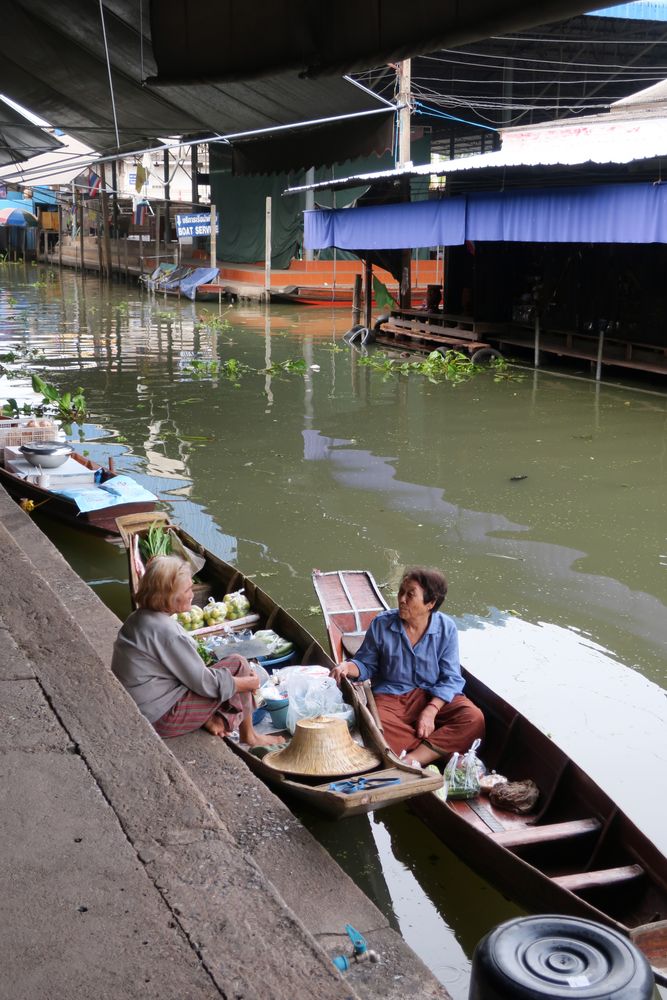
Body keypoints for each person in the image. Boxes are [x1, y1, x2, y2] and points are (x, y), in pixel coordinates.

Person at [111, 555, 283, 745]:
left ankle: (215, 720)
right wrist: (249, 684)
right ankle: (249, 735)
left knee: (236, 662)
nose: (192, 594)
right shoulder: (167, 632)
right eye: (187, 590)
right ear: (169, 597)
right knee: (240, 667)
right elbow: (204, 683)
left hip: (141, 704)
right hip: (159, 717)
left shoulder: (138, 617)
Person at [330, 567, 483, 766]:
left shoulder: (446, 628)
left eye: (410, 595)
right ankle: (438, 750)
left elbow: (451, 678)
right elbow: (365, 664)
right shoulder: (382, 624)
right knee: (377, 726)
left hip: (432, 695)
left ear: (430, 603)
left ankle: (412, 758)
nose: (401, 599)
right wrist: (347, 667)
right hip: (391, 698)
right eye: (401, 592)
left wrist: (431, 710)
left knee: (474, 718)